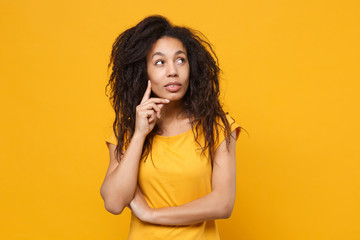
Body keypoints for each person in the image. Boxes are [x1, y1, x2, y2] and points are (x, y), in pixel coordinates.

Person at [100, 15, 244, 240]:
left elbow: (223, 204)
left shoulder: (217, 127)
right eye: (159, 62)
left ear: (191, 67)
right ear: (143, 72)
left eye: (180, 60)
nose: (172, 71)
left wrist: (151, 215)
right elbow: (114, 202)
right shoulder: (129, 132)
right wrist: (139, 135)